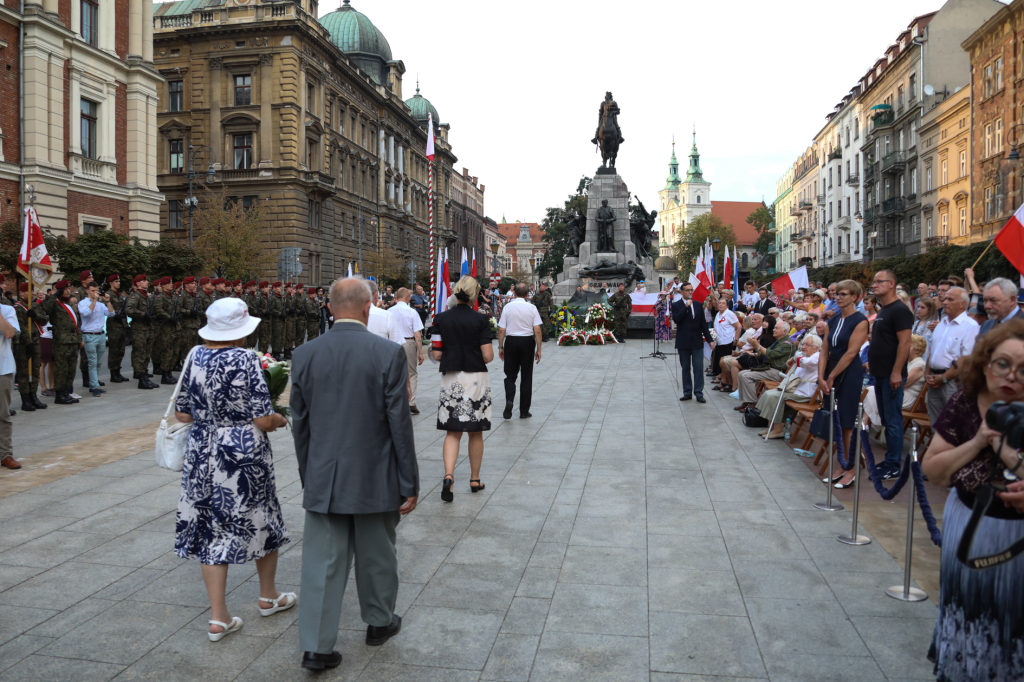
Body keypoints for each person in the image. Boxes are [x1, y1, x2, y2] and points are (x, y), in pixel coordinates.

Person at [291, 278, 418, 669]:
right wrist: (408, 482)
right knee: (378, 554)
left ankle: (316, 646)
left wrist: (308, 476)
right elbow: (399, 423)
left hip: (325, 476)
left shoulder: (304, 354)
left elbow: (301, 424)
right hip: (375, 473)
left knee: (322, 562)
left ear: (330, 308)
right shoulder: (387, 353)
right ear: (368, 308)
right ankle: (379, 622)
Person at [172, 298, 291, 643]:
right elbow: (262, 419)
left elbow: (182, 413)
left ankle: (218, 617)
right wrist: (281, 419)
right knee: (262, 516)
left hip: (201, 451)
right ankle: (268, 596)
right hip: (241, 453)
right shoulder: (246, 359)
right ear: (241, 330)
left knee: (210, 526)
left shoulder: (194, 355)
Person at [921, 321, 1024, 681]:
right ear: (985, 363)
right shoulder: (966, 401)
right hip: (970, 525)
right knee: (969, 613)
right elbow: (933, 471)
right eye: (1003, 363)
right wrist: (979, 442)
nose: (1012, 376)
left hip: (1018, 541)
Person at [431, 275, 494, 499]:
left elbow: (437, 353)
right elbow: (488, 355)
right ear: (475, 294)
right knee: (475, 432)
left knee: (452, 430)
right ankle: (475, 479)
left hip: (451, 377)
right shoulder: (481, 319)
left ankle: (449, 476)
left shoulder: (440, 318)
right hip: (475, 376)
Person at [818, 280, 869, 488]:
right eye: (837, 294)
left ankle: (852, 467)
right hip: (831, 370)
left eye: (844, 294)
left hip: (848, 373)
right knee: (836, 422)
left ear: (855, 297)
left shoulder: (860, 320)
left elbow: (851, 353)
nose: (838, 297)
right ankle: (842, 464)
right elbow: (824, 350)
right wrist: (821, 376)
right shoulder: (834, 320)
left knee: (847, 423)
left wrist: (831, 377)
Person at [868, 269, 914, 479]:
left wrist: (897, 372)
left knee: (894, 421)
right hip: (878, 373)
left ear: (892, 284)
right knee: (887, 420)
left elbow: (905, 343)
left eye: (879, 282)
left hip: (891, 375)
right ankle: (889, 461)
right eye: (874, 283)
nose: (874, 285)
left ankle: (894, 465)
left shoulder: (899, 310)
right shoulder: (884, 309)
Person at [926, 287, 980, 423]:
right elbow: (931, 352)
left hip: (953, 382)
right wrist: (927, 374)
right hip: (933, 380)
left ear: (962, 304)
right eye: (944, 299)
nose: (944, 302)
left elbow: (966, 359)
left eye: (950, 299)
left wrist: (943, 378)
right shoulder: (940, 324)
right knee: (936, 424)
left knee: (952, 426)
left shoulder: (970, 326)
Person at [753, 333, 821, 438]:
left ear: (816, 348)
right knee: (768, 393)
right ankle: (772, 426)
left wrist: (794, 358)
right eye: (803, 344)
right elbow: (797, 371)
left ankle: (778, 430)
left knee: (774, 397)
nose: (803, 347)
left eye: (807, 345)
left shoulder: (817, 356)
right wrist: (786, 383)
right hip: (796, 389)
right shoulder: (805, 355)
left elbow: (805, 362)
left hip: (806, 393)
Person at [864, 333, 927, 430]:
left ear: (917, 350)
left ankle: (864, 426)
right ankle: (865, 425)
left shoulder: (920, 364)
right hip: (898, 392)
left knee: (872, 390)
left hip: (908, 397)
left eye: (909, 345)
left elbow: (904, 383)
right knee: (872, 390)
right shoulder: (907, 362)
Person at [498, 282, 542, 419]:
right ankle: (524, 411)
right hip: (527, 341)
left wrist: (501, 346)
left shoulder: (507, 307)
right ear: (527, 294)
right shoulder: (532, 308)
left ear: (514, 293)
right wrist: (539, 349)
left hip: (511, 341)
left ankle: (510, 400)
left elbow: (501, 329)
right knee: (526, 375)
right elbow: (537, 330)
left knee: (510, 374)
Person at [735, 320, 795, 412]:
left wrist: (757, 346)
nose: (774, 330)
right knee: (741, 373)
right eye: (774, 327)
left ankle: (752, 404)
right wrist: (756, 347)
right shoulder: (778, 342)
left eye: (777, 328)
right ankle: (746, 402)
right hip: (769, 369)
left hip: (778, 372)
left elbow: (771, 354)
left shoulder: (787, 344)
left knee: (747, 376)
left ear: (784, 331)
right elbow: (764, 355)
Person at [39, 280, 83, 404]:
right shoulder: (55, 303)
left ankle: (66, 392)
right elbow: (44, 307)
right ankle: (59, 394)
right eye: (65, 289)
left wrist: (79, 339)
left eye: (69, 288)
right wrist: (54, 295)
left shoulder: (70, 304)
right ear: (59, 291)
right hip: (62, 342)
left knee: (71, 369)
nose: (68, 291)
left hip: (73, 341)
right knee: (61, 369)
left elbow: (77, 323)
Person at [671, 282, 713, 403]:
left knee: (698, 367)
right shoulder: (677, 305)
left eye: (691, 290)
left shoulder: (699, 305)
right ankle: (687, 392)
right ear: (682, 292)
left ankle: (699, 392)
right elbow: (677, 319)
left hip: (697, 341)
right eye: (687, 290)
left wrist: (710, 340)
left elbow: (703, 325)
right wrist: (686, 307)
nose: (690, 292)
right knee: (685, 368)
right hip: (683, 342)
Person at [13, 283, 48, 412]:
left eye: (32, 290)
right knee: (24, 372)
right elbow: (20, 327)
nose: (32, 293)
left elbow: (44, 320)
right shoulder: (17, 308)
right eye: (28, 291)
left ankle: (33, 396)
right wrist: (28, 343)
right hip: (24, 344)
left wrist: (35, 316)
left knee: (34, 371)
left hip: (36, 341)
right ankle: (25, 399)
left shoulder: (34, 306)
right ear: (21, 293)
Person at [390, 288, 425, 414]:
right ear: (406, 297)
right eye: (409, 296)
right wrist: (420, 352)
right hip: (408, 342)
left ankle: (396, 401)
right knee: (411, 373)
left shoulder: (389, 311)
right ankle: (411, 401)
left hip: (392, 343)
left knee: (394, 372)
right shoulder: (412, 312)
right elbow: (417, 334)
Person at [77, 281, 115, 397]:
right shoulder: (82, 303)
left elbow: (111, 313)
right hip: (89, 335)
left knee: (98, 363)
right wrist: (94, 300)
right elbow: (87, 313)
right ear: (87, 291)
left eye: (96, 290)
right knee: (92, 362)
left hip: (101, 335)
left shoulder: (100, 304)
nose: (95, 293)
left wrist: (107, 301)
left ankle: (94, 384)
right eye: (92, 291)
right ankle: (95, 386)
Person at [0, 291, 19, 468]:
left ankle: (5, 454)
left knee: (3, 414)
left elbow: (9, 333)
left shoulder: (7, 311)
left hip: (2, 370)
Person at [710, 297, 741, 390]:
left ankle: (727, 382)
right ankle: (723, 381)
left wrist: (736, 339)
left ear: (727, 305)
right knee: (719, 363)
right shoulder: (718, 314)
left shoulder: (730, 314)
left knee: (724, 363)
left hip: (728, 340)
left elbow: (739, 326)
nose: (720, 305)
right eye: (719, 303)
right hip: (719, 341)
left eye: (723, 303)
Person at [104, 275, 129, 383]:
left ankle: (118, 372)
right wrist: (115, 315)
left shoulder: (119, 295)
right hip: (113, 325)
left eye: (119, 281)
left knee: (121, 350)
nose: (118, 283)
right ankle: (113, 374)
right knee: (114, 350)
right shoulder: (108, 294)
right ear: (110, 283)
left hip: (121, 325)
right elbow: (107, 309)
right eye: (116, 281)